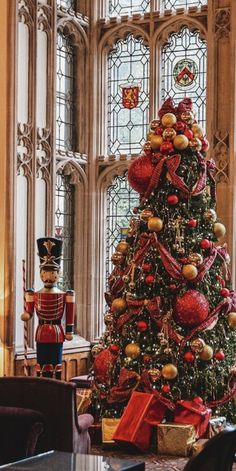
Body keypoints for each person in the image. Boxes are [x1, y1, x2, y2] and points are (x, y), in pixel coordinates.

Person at [21, 237, 75, 379]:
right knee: (41, 363)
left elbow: (70, 313)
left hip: (57, 332)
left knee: (56, 365)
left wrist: (69, 331)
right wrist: (26, 313)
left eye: (52, 273)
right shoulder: (35, 294)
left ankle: (55, 388)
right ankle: (42, 388)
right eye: (45, 272)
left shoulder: (65, 294)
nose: (48, 276)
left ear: (57, 274)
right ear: (41, 273)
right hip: (41, 332)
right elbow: (29, 312)